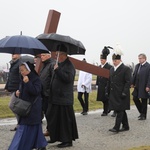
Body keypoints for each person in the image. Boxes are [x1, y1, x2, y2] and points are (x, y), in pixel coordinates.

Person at [8, 62, 47, 150]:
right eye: (20, 70)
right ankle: (40, 145)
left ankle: (19, 147)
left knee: (25, 129)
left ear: (28, 69)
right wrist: (18, 94)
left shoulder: (36, 79)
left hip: (32, 109)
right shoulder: (23, 78)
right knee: (34, 128)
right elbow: (24, 93)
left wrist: (28, 83)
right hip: (26, 108)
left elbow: (36, 91)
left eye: (22, 70)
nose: (21, 72)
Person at [46, 44, 78, 148]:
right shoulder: (58, 64)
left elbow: (68, 78)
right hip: (55, 97)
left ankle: (67, 140)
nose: (56, 57)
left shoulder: (69, 65)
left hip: (64, 98)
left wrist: (58, 70)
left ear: (63, 55)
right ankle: (54, 136)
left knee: (65, 121)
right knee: (53, 118)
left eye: (58, 55)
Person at [107, 47, 131, 133]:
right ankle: (126, 126)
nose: (114, 62)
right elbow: (110, 81)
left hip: (121, 93)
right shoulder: (112, 69)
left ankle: (116, 127)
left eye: (115, 61)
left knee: (120, 110)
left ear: (120, 60)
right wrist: (107, 91)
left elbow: (128, 82)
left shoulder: (126, 69)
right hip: (114, 93)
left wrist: (124, 92)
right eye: (113, 60)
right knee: (120, 109)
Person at [39, 52, 55, 136]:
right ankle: (49, 129)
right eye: (41, 55)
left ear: (49, 56)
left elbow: (53, 79)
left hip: (48, 94)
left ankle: (52, 131)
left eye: (43, 55)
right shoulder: (44, 65)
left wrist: (49, 91)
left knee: (50, 114)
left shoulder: (51, 65)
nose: (42, 57)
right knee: (46, 113)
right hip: (43, 93)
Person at [131, 53, 150, 120]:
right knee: (135, 98)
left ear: (144, 59)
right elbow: (134, 75)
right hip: (137, 85)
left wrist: (148, 86)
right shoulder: (137, 66)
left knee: (144, 100)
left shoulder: (148, 66)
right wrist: (132, 83)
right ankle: (141, 112)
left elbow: (149, 77)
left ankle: (143, 115)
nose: (139, 60)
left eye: (140, 58)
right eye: (138, 58)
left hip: (144, 85)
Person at [5, 54, 21, 131]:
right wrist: (7, 87)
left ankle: (20, 123)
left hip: (17, 89)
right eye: (12, 54)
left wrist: (20, 89)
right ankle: (20, 123)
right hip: (13, 88)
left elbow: (21, 77)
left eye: (15, 54)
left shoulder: (19, 64)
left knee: (12, 105)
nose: (13, 55)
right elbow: (10, 77)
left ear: (19, 55)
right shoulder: (13, 64)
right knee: (15, 106)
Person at [96, 46, 113, 116]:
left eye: (102, 60)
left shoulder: (109, 67)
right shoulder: (99, 66)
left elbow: (110, 76)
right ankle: (108, 108)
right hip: (100, 85)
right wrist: (97, 84)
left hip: (106, 84)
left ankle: (105, 111)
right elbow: (98, 75)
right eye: (100, 60)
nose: (101, 61)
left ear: (105, 60)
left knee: (106, 98)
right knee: (102, 99)